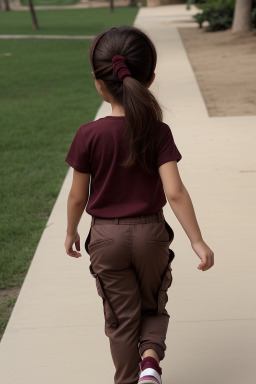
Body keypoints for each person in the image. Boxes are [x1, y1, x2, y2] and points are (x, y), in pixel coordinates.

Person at [64, 25, 214, 384]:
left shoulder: (89, 134)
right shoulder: (158, 131)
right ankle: (150, 362)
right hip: (151, 235)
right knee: (153, 305)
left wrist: (71, 232)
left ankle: (130, 379)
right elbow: (175, 192)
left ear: (98, 81)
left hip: (106, 239)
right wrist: (197, 239)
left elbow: (77, 195)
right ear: (149, 79)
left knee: (120, 318)